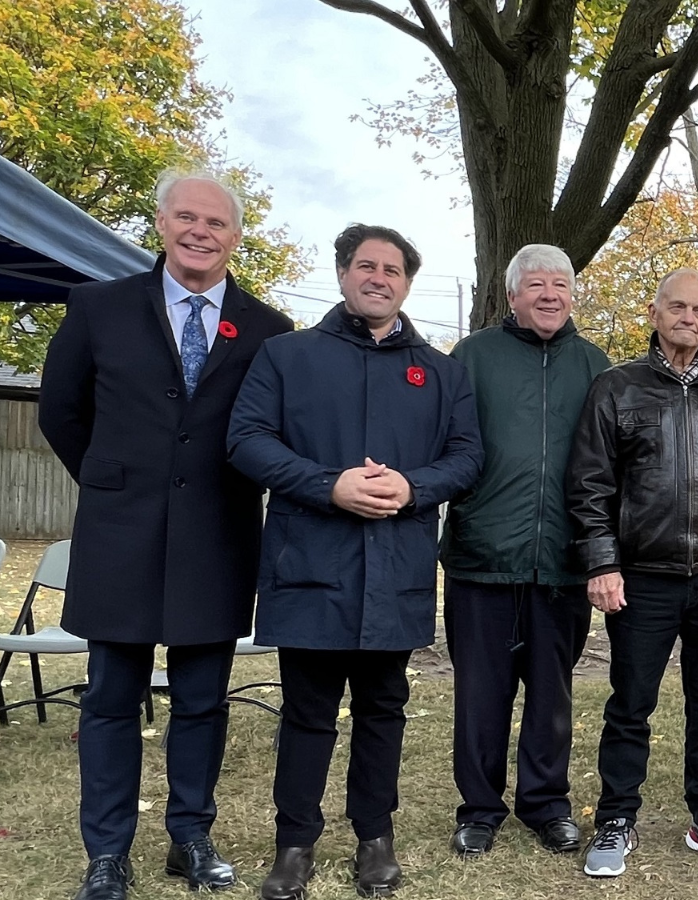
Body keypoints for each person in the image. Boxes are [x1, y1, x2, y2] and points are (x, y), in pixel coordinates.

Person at [38, 170, 293, 900]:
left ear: (235, 237)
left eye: (216, 223)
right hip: (119, 534)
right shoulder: (98, 307)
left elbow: (266, 430)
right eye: (187, 218)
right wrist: (113, 479)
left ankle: (190, 835)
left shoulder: (269, 330)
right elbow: (62, 411)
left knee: (203, 698)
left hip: (216, 535)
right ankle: (108, 853)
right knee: (111, 697)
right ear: (160, 223)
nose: (200, 233)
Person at [227, 224, 483, 900]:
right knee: (308, 711)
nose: (378, 278)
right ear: (342, 273)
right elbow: (246, 439)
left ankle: (375, 838)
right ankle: (294, 845)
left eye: (392, 269)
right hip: (310, 561)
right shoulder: (286, 356)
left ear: (406, 282)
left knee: (382, 708)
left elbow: (467, 455)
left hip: (394, 567)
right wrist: (326, 484)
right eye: (365, 266)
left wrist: (416, 487)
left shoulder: (442, 371)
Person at [566, 268, 698, 879]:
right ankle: (616, 819)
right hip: (642, 577)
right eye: (678, 307)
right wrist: (602, 561)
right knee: (631, 703)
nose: (689, 318)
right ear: (655, 312)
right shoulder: (616, 388)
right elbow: (590, 484)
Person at [441, 244, 610, 857]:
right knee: (480, 695)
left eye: (560, 285)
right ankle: (479, 809)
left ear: (571, 295)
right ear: (512, 294)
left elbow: (611, 464)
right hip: (482, 557)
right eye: (535, 284)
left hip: (563, 561)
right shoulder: (472, 357)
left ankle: (546, 805)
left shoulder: (595, 365)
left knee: (550, 693)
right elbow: (446, 444)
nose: (548, 295)